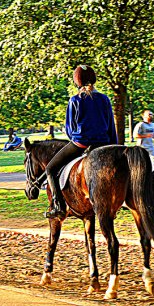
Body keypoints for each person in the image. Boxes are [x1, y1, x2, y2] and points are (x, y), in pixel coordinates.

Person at [44, 65, 118, 219]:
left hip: (81, 143)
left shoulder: (75, 100)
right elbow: (111, 125)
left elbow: (70, 129)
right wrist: (113, 146)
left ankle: (58, 206)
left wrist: (77, 138)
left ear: (77, 82)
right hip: (103, 143)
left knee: (50, 169)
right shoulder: (104, 99)